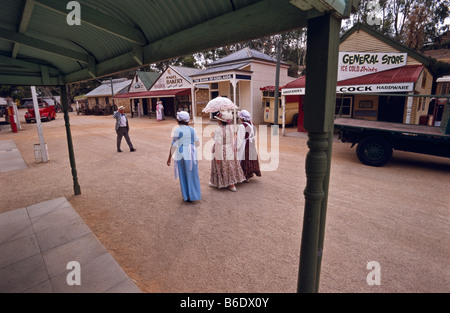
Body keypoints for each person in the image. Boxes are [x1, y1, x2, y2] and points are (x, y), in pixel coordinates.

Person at [167, 111, 201, 202]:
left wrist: (169, 157)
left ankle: (186, 196)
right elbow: (197, 143)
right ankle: (194, 194)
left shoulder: (177, 130)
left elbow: (174, 145)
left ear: (178, 120)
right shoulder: (192, 130)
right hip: (191, 153)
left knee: (183, 174)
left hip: (181, 153)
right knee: (193, 174)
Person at [209, 111, 245, 192]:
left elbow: (218, 142)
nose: (217, 121)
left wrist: (212, 136)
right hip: (229, 148)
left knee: (222, 165)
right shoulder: (231, 127)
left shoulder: (218, 129)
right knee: (230, 165)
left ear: (221, 121)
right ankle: (232, 183)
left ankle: (222, 183)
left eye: (218, 120)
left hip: (222, 149)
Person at [236, 110, 261, 182]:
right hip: (251, 143)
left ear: (242, 118)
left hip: (245, 143)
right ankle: (250, 173)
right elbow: (254, 134)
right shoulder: (253, 124)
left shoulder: (242, 126)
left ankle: (245, 176)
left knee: (245, 158)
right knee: (251, 158)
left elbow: (240, 138)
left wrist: (237, 147)